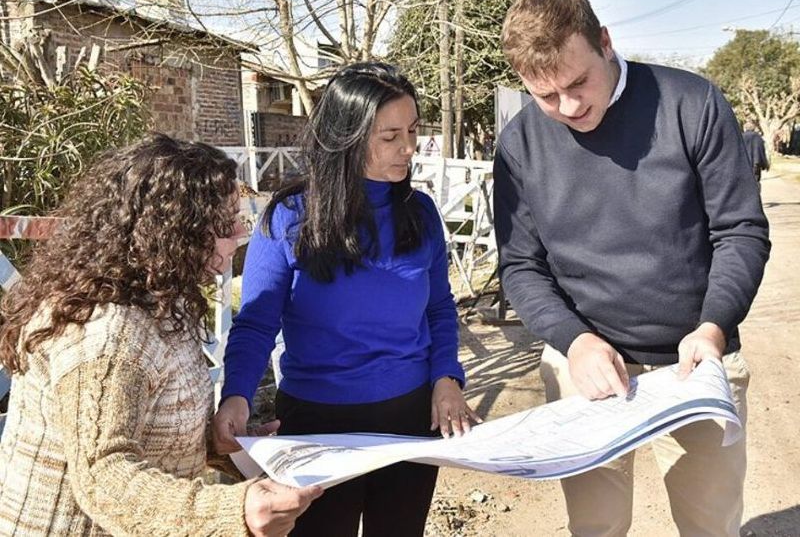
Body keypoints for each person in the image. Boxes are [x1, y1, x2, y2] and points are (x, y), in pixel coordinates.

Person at [494, 0, 770, 536]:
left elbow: (740, 231)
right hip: (586, 370)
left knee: (710, 526)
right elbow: (521, 265)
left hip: (696, 365)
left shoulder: (692, 102)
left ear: (604, 42)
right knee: (594, 528)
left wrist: (714, 327)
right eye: (546, 96)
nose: (569, 108)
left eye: (578, 82)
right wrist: (574, 341)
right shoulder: (519, 141)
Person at [0, 135, 321, 536]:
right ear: (172, 231)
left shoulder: (162, 304)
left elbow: (146, 423)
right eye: (223, 224)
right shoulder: (107, 331)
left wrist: (217, 444)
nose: (240, 231)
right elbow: (104, 477)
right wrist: (236, 509)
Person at [212, 61, 480, 537]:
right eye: (390, 136)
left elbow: (439, 308)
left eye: (413, 131)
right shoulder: (290, 218)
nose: (409, 149)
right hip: (317, 424)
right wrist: (236, 394)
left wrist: (447, 379)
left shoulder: (419, 212)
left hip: (409, 418)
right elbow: (255, 322)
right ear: (348, 138)